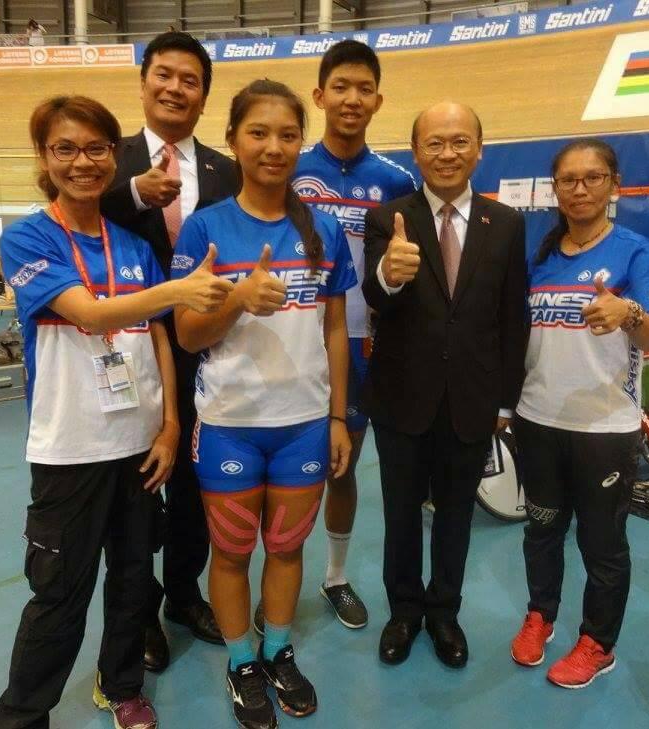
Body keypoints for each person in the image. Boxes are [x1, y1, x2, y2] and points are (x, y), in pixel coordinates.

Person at [0, 95, 231, 729]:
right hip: (70, 450)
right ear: (45, 158)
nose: (82, 162)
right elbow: (91, 314)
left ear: (112, 156)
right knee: (59, 593)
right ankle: (23, 713)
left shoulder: (129, 243)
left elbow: (157, 334)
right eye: (65, 149)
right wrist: (179, 289)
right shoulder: (26, 237)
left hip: (140, 444)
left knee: (131, 582)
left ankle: (121, 685)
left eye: (96, 148)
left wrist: (172, 425)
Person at [171, 79, 354, 729]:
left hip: (304, 425)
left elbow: (335, 327)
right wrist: (235, 300)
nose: (273, 146)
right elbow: (187, 335)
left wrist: (337, 415)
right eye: (258, 132)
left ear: (300, 141)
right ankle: (242, 659)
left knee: (284, 547)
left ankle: (278, 646)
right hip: (229, 425)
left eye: (286, 134)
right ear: (232, 141)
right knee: (230, 552)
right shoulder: (206, 228)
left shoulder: (324, 230)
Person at [362, 102, 528, 669]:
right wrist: (390, 272)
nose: (447, 153)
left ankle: (444, 614)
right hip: (401, 400)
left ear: (479, 149)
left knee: (457, 515)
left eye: (460, 141)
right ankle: (404, 612)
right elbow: (375, 298)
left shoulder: (505, 224)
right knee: (401, 514)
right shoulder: (389, 219)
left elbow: (513, 317)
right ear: (416, 153)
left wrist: (506, 400)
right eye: (434, 143)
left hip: (474, 401)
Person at [509, 138, 649, 688]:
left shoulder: (636, 252)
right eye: (569, 179)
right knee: (542, 530)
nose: (580, 188)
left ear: (612, 185)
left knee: (602, 545)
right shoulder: (542, 255)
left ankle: (598, 644)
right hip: (538, 420)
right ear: (554, 189)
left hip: (604, 428)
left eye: (593, 177)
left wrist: (627, 310)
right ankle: (541, 616)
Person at [101, 31, 237, 667]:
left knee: (192, 482)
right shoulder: (110, 156)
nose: (175, 87)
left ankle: (183, 592)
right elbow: (73, 205)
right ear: (144, 81)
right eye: (164, 74)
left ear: (204, 98)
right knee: (134, 483)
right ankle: (140, 607)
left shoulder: (224, 170)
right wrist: (132, 194)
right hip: (124, 348)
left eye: (190, 80)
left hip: (205, 351)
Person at [280, 39, 416, 631]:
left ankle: (334, 577)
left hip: (359, 349)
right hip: (287, 345)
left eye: (364, 89)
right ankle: (274, 579)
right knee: (279, 472)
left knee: (343, 467)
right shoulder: (288, 166)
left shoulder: (394, 179)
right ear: (319, 95)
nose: (352, 98)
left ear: (378, 100)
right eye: (340, 87)